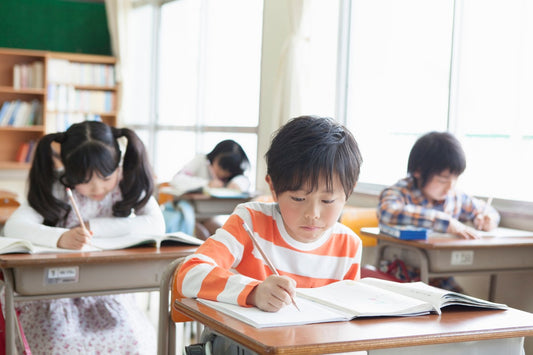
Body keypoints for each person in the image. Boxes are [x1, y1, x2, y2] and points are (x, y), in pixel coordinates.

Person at [173, 115, 363, 354]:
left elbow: (345, 322)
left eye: (328, 200)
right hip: (242, 344)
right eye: (298, 198)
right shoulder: (250, 221)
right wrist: (253, 292)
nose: (313, 214)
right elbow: (188, 274)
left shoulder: (348, 245)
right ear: (273, 188)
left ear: (349, 192)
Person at [4, 121, 165, 354]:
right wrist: (60, 238)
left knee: (136, 340)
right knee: (61, 344)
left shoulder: (126, 183)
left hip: (108, 293)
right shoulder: (57, 187)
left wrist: (94, 227)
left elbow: (156, 225)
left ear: (117, 165)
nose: (97, 187)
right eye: (84, 180)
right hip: (56, 295)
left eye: (106, 176)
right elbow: (15, 227)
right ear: (68, 172)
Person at [378, 131, 500, 290]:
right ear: (418, 171)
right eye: (443, 179)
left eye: (455, 179)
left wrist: (488, 219)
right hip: (400, 277)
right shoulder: (400, 192)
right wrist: (444, 222)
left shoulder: (455, 197)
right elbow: (388, 211)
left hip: (440, 280)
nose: (450, 186)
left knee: (468, 307)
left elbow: (487, 210)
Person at [169, 139, 251, 236]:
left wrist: (237, 184)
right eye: (222, 167)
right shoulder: (201, 161)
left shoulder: (234, 177)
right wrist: (207, 183)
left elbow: (244, 181)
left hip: (207, 216)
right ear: (215, 158)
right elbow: (177, 180)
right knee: (203, 234)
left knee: (225, 234)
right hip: (186, 214)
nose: (223, 173)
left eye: (228, 171)